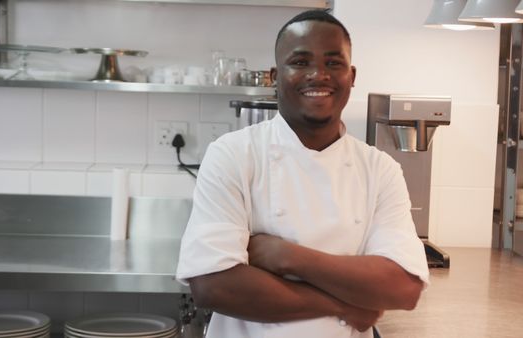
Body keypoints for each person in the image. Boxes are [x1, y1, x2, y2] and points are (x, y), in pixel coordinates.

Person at [176, 10, 429, 338]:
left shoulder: (380, 169)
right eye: (300, 61)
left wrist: (285, 256)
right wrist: (345, 305)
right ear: (275, 76)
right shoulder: (233, 154)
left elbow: (402, 287)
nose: (318, 75)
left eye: (333, 63)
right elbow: (213, 285)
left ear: (351, 76)